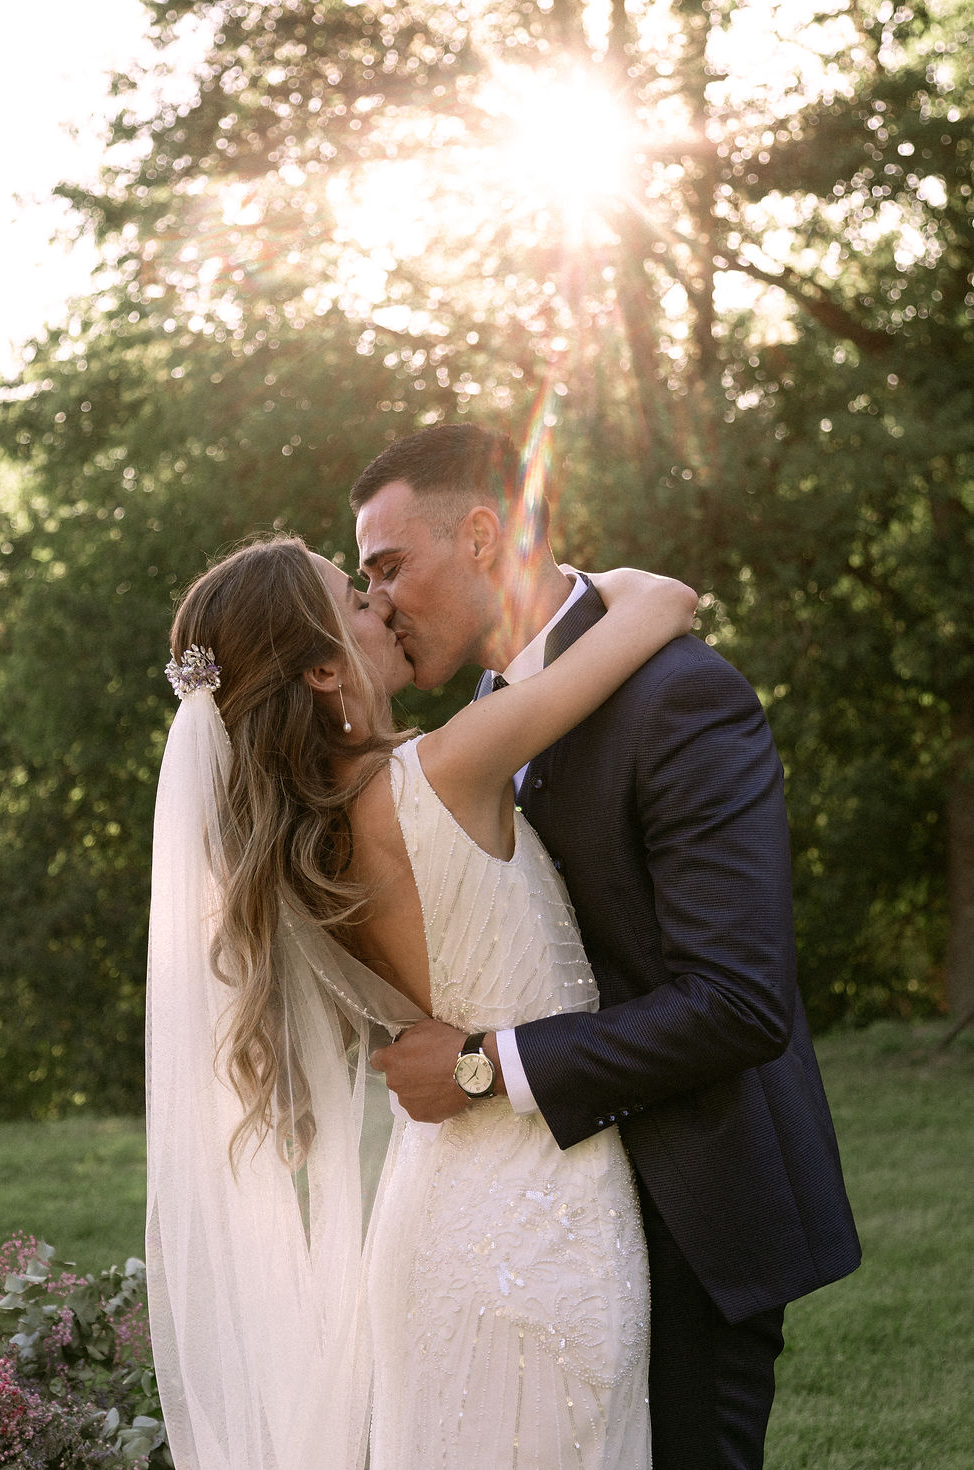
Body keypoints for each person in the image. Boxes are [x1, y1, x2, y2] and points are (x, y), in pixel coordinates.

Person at [351, 423, 863, 1470]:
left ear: (483, 535)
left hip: (690, 1218)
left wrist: (482, 1064)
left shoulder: (678, 696)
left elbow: (736, 1000)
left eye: (388, 567)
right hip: (550, 1224)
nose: (382, 602)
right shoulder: (496, 718)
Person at [146, 533, 697, 1470]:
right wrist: (582, 575)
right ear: (325, 668)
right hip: (541, 1214)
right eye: (354, 600)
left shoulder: (292, 854)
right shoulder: (446, 770)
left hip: (431, 1216)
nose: (383, 606)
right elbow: (666, 600)